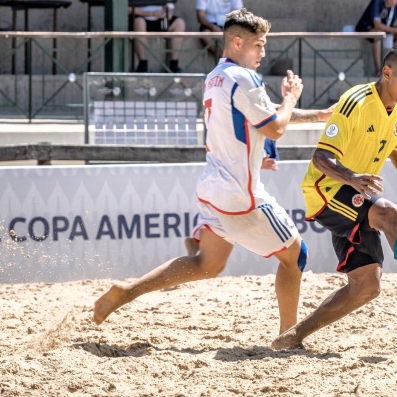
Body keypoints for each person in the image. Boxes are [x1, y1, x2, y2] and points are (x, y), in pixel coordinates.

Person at [93, 9, 334, 336]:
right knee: (296, 255)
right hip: (239, 194)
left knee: (207, 265)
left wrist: (318, 115)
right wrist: (291, 97)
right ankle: (288, 335)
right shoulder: (245, 78)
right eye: (258, 45)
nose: (263, 53)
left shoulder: (217, 76)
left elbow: (251, 122)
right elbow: (275, 127)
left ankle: (126, 292)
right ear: (237, 42)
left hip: (213, 186)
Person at [271, 43, 397, 351]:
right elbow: (320, 158)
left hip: (357, 193)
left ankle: (292, 337)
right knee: (388, 214)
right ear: (387, 72)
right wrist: (352, 177)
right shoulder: (356, 101)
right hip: (325, 190)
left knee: (366, 287)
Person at [355, 0, 397, 74]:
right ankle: (379, 70)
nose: (393, 1)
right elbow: (377, 25)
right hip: (367, 28)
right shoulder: (377, 2)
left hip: (387, 28)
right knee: (378, 34)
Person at [129, 2, 185, 73]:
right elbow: (128, 9)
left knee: (180, 23)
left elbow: (170, 10)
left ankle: (174, 64)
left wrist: (164, 13)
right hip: (140, 18)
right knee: (139, 22)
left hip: (160, 20)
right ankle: (142, 64)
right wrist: (151, 14)